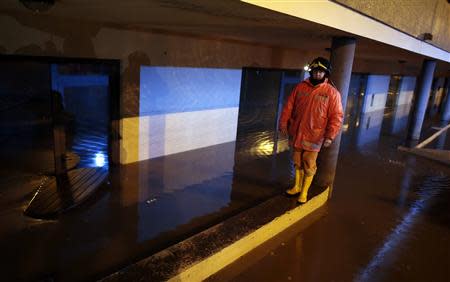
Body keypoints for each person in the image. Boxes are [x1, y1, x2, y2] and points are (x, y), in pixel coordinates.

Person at [279, 57, 343, 203]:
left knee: (309, 162)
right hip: (297, 132)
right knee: (297, 161)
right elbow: (289, 106)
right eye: (315, 71)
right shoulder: (300, 87)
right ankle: (296, 186)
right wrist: (283, 124)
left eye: (321, 72)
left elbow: (336, 116)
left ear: (325, 73)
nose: (317, 74)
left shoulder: (332, 93)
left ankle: (304, 192)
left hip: (315, 136)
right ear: (312, 71)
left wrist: (330, 136)